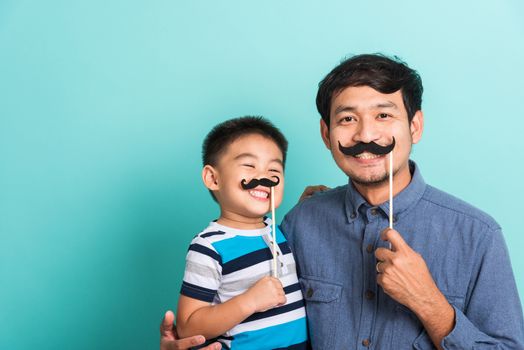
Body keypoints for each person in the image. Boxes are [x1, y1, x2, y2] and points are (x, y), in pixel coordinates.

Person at [162, 54, 524, 349]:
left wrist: (429, 303)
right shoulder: (299, 225)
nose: (366, 135)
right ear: (326, 133)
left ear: (414, 126)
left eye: (384, 115)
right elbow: (250, 322)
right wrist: (189, 343)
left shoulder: (478, 235)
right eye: (348, 119)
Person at [174, 116, 308, 349]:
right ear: (213, 178)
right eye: (249, 165)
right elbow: (188, 326)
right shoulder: (209, 247)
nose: (264, 177)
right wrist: (249, 301)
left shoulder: (278, 232)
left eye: (274, 169)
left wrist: (310, 204)